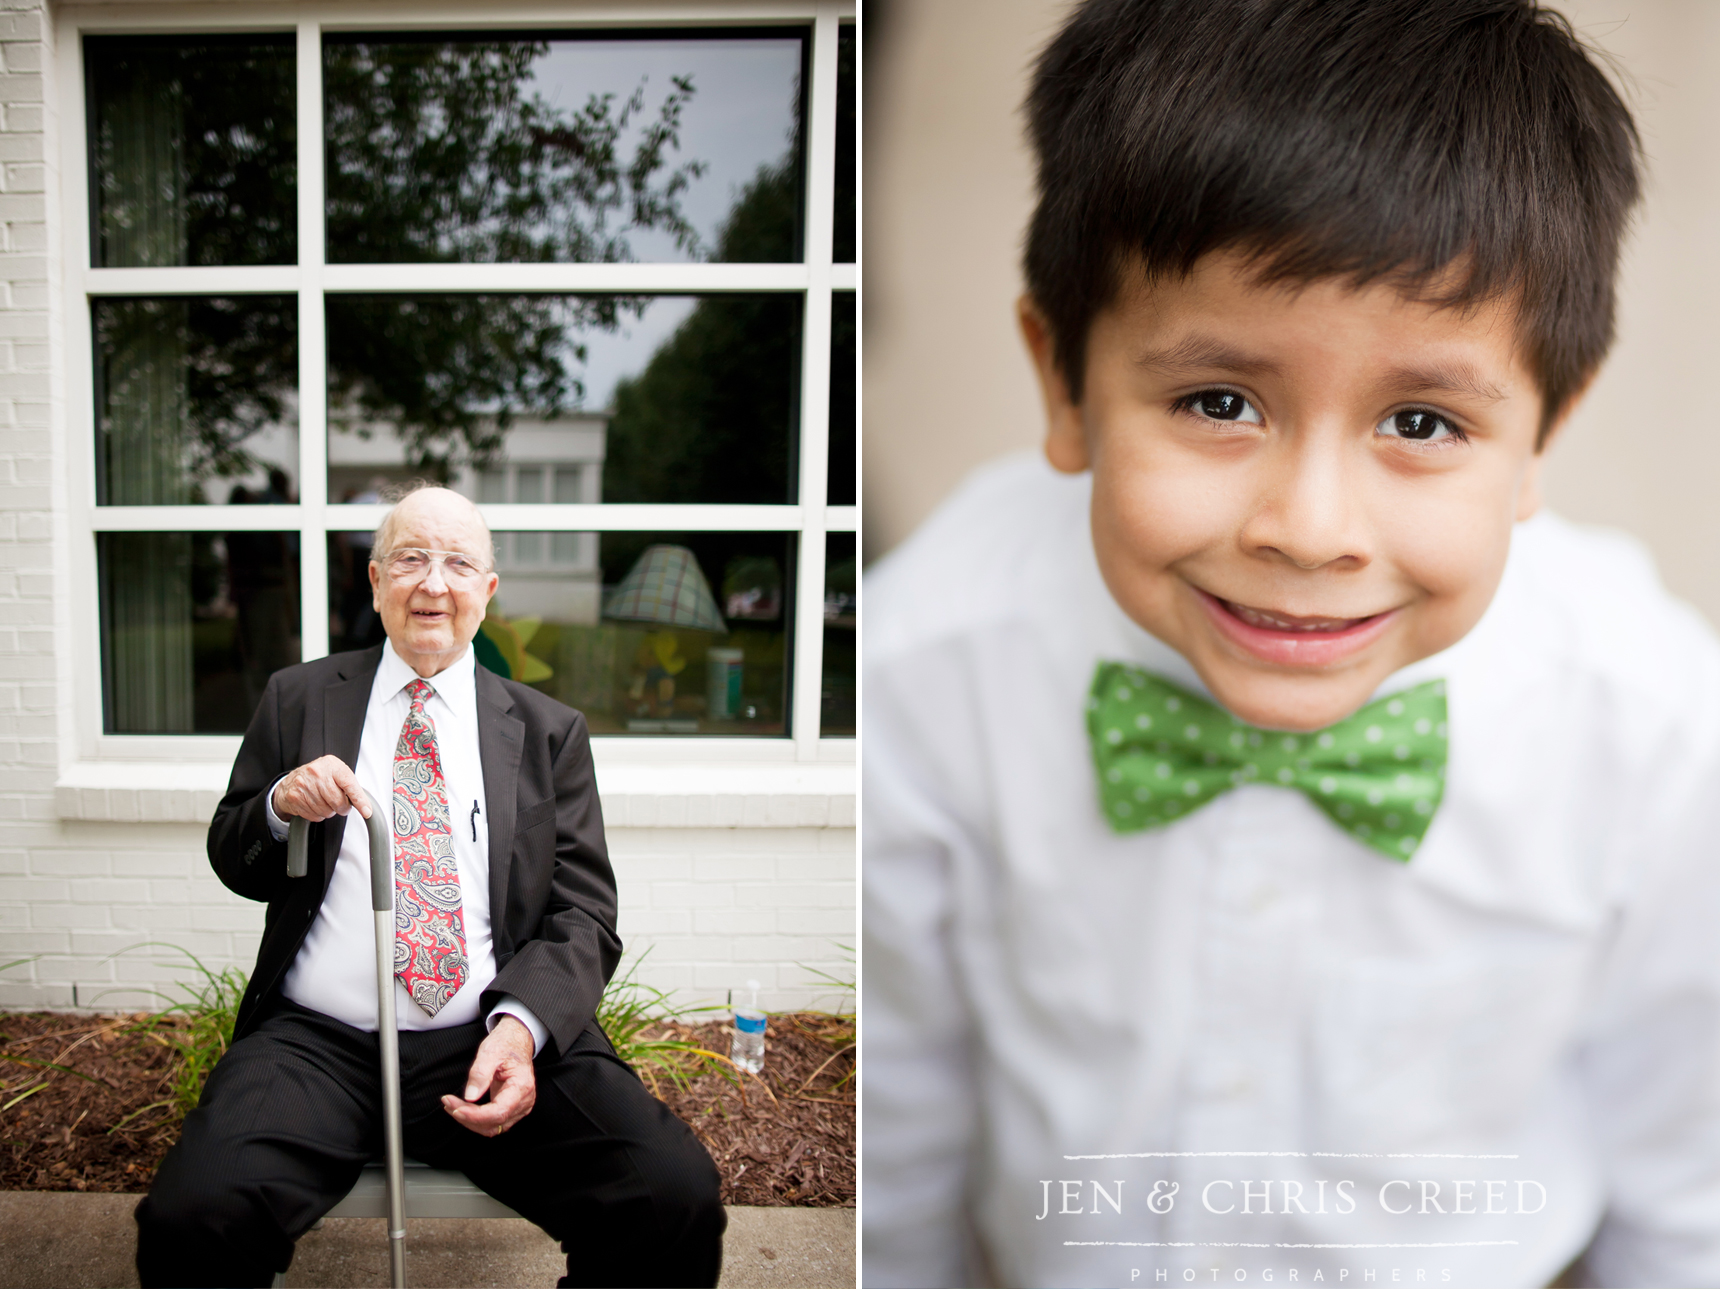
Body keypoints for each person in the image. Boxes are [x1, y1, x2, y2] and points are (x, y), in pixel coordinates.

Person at [863, 2, 1720, 1286]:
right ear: (1063, 383)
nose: (1310, 530)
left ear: (1543, 432)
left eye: (1422, 421)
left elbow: (1686, 1173)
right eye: (1219, 402)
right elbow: (895, 1135)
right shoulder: (927, 669)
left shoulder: (1650, 719)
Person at [136, 484, 724, 1288]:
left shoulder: (549, 730)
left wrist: (521, 1033)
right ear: (374, 582)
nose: (433, 583)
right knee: (194, 1215)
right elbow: (233, 856)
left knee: (671, 1198)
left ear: (487, 590)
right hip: (318, 1043)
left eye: (458, 563)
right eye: (410, 558)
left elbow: (584, 912)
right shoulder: (298, 698)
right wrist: (277, 808)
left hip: (492, 1035)